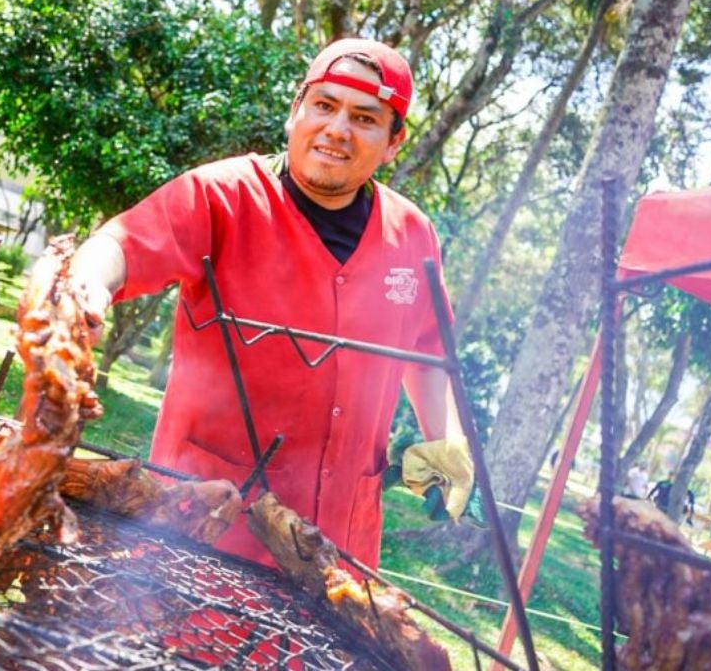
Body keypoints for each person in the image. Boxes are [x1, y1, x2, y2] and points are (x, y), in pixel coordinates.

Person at [69, 38, 469, 570]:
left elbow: (430, 352)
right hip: (204, 527)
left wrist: (449, 443)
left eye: (364, 118)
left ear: (394, 142)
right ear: (295, 111)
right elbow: (119, 245)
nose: (337, 130)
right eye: (324, 106)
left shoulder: (412, 236)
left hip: (339, 545)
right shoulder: (220, 195)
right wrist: (85, 287)